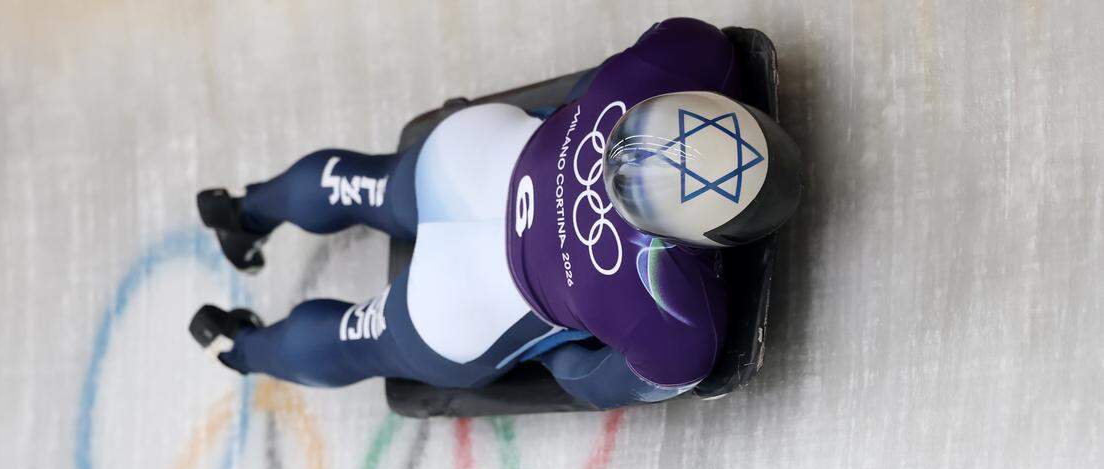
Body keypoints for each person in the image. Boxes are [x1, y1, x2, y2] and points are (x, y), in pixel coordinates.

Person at [189, 17, 802, 409]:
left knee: (367, 185)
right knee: (360, 341)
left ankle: (243, 208)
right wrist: (556, 352)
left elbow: (598, 81)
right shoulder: (665, 310)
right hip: (460, 303)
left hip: (469, 158)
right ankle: (243, 347)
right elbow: (589, 381)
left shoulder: (680, 54)